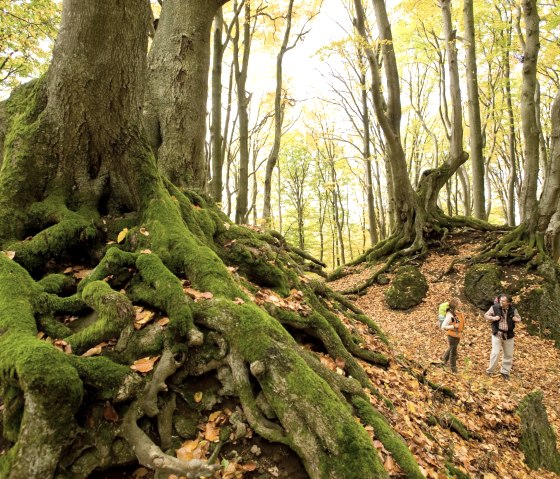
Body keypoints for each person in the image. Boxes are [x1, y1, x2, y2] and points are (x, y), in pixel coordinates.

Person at [485, 294, 521, 380]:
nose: (501, 301)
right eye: (501, 300)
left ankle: (505, 372)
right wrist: (493, 318)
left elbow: (519, 318)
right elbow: (486, 315)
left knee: (508, 354)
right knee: (495, 353)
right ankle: (490, 371)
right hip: (497, 334)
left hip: (509, 335)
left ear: (508, 302)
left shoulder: (513, 310)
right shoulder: (494, 307)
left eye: (503, 301)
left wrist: (517, 319)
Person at [440, 298, 465, 373]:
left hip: (456, 335)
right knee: (453, 353)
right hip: (452, 336)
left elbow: (456, 322)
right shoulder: (450, 315)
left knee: (451, 348)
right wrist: (453, 327)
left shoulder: (455, 313)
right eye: (460, 303)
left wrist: (455, 326)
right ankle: (453, 369)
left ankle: (443, 360)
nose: (461, 304)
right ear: (456, 305)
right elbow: (443, 326)